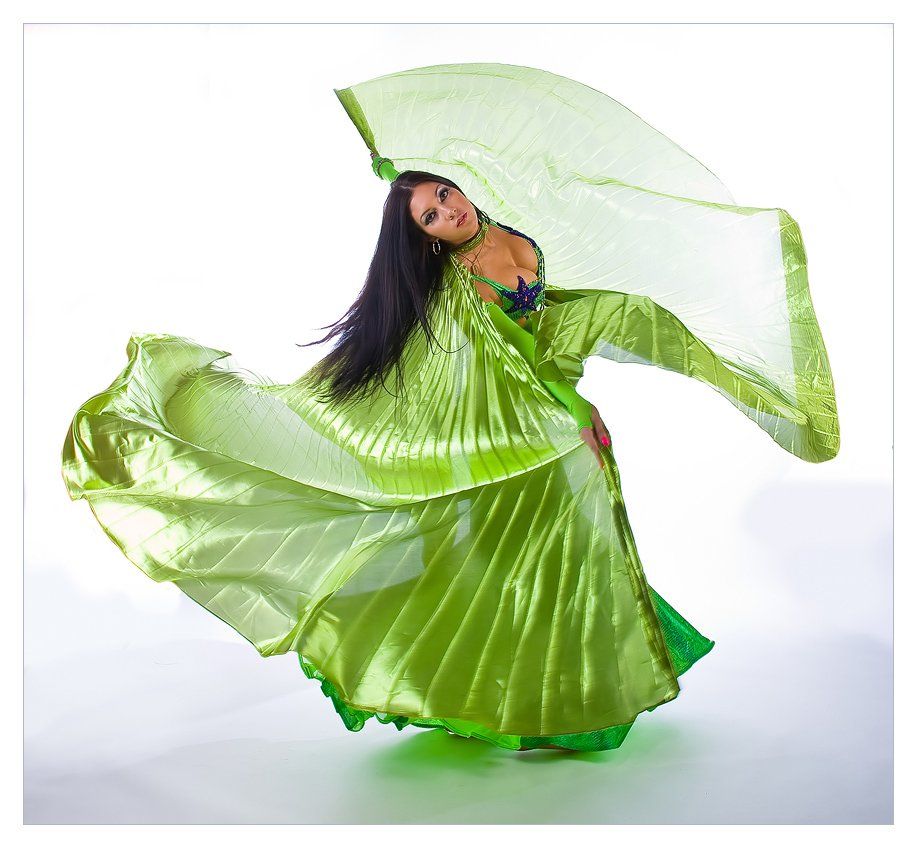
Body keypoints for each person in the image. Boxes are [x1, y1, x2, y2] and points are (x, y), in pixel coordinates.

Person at [61, 62, 839, 753]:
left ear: (458, 183)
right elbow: (502, 367)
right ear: (428, 241)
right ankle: (523, 698)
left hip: (545, 413)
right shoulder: (460, 287)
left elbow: (550, 312)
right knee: (545, 540)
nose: (446, 211)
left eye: (442, 193)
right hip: (512, 431)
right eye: (430, 218)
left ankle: (559, 693)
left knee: (575, 535)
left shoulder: (510, 229)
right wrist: (575, 410)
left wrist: (603, 343)